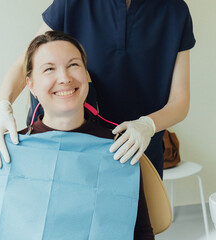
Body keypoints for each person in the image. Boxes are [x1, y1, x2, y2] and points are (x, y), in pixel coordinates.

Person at [0, 0, 195, 178]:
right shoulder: (74, 3)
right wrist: (2, 107)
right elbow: (25, 65)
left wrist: (148, 125)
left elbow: (180, 100)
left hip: (136, 148)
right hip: (73, 148)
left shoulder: (174, 11)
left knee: (136, 222)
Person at [20, 30, 154, 239]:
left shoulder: (118, 147)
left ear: (86, 75)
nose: (64, 78)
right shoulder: (12, 147)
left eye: (73, 65)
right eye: (49, 69)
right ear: (31, 85)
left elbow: (140, 232)